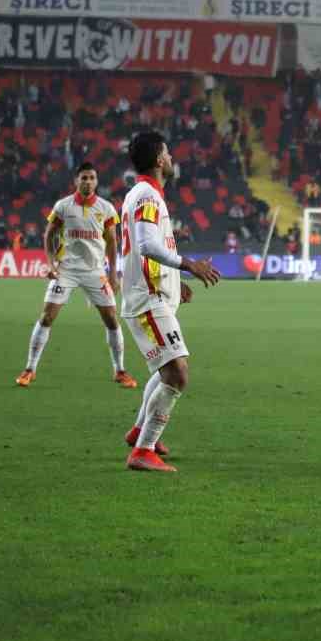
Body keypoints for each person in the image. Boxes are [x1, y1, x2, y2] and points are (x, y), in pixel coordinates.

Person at [119, 131, 222, 473]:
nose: (173, 159)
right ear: (160, 159)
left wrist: (177, 284)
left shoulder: (146, 195)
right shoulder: (147, 196)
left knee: (165, 367)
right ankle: (143, 451)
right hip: (146, 299)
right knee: (177, 373)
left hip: (155, 294)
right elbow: (147, 245)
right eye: (169, 152)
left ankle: (139, 432)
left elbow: (148, 245)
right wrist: (188, 264)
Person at [15, 162, 136, 390]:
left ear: (97, 181)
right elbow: (49, 235)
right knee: (47, 316)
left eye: (91, 177)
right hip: (67, 270)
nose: (87, 181)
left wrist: (113, 274)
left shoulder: (106, 208)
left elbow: (112, 242)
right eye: (84, 177)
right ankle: (30, 369)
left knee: (111, 319)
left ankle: (119, 370)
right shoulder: (63, 206)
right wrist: (50, 263)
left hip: (95, 271)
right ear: (76, 180)